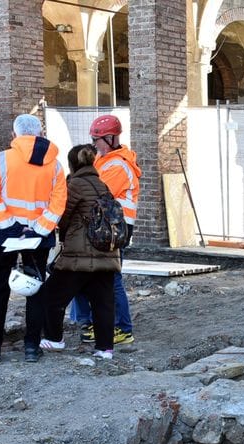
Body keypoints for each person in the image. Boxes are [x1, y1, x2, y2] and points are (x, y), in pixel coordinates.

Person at [0, 114, 67, 364]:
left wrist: (10, 226)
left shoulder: (0, 160)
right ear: (40, 134)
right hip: (39, 238)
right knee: (35, 290)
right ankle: (31, 346)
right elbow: (58, 202)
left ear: (14, 135)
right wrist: (39, 229)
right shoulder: (55, 165)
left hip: (5, 235)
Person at [41, 144, 120, 359]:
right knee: (103, 302)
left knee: (51, 296)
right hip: (107, 253)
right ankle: (105, 349)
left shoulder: (73, 184)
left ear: (71, 164)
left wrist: (62, 234)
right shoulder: (103, 185)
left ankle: (54, 339)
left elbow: (63, 215)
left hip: (80, 254)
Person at [71, 114, 141, 345]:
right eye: (93, 139)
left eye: (98, 139)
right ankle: (93, 322)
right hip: (103, 227)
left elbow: (97, 193)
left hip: (113, 229)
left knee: (111, 278)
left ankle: (122, 328)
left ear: (111, 138)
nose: (94, 143)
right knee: (90, 275)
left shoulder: (117, 165)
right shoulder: (104, 160)